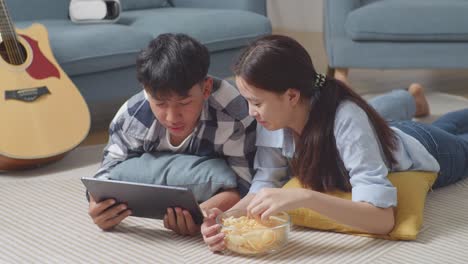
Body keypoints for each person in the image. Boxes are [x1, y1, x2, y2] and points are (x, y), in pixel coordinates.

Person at [201, 34, 468, 251]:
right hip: (389, 135)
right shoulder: (271, 119)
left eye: (256, 102)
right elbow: (265, 183)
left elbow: (383, 220)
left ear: (292, 96)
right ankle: (416, 102)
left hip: (426, 148)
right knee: (446, 124)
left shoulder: (347, 119)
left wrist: (304, 197)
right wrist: (224, 220)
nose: (250, 112)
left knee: (455, 139)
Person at [87, 33, 257, 235]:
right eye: (160, 103)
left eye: (184, 103)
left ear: (206, 88)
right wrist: (98, 207)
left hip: (217, 176)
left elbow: (246, 184)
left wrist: (204, 214)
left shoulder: (235, 114)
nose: (172, 117)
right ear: (146, 91)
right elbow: (105, 175)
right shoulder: (132, 117)